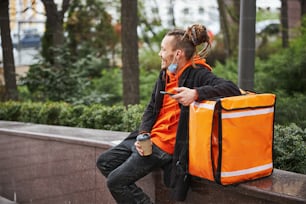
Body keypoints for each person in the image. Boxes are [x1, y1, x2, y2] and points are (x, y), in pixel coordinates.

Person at [96, 24, 241, 203]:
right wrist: (143, 134)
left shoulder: (198, 73)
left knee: (116, 182)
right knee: (104, 162)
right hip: (150, 139)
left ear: (178, 54)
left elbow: (232, 89)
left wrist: (195, 93)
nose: (160, 54)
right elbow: (151, 108)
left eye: (163, 49)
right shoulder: (165, 74)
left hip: (166, 147)